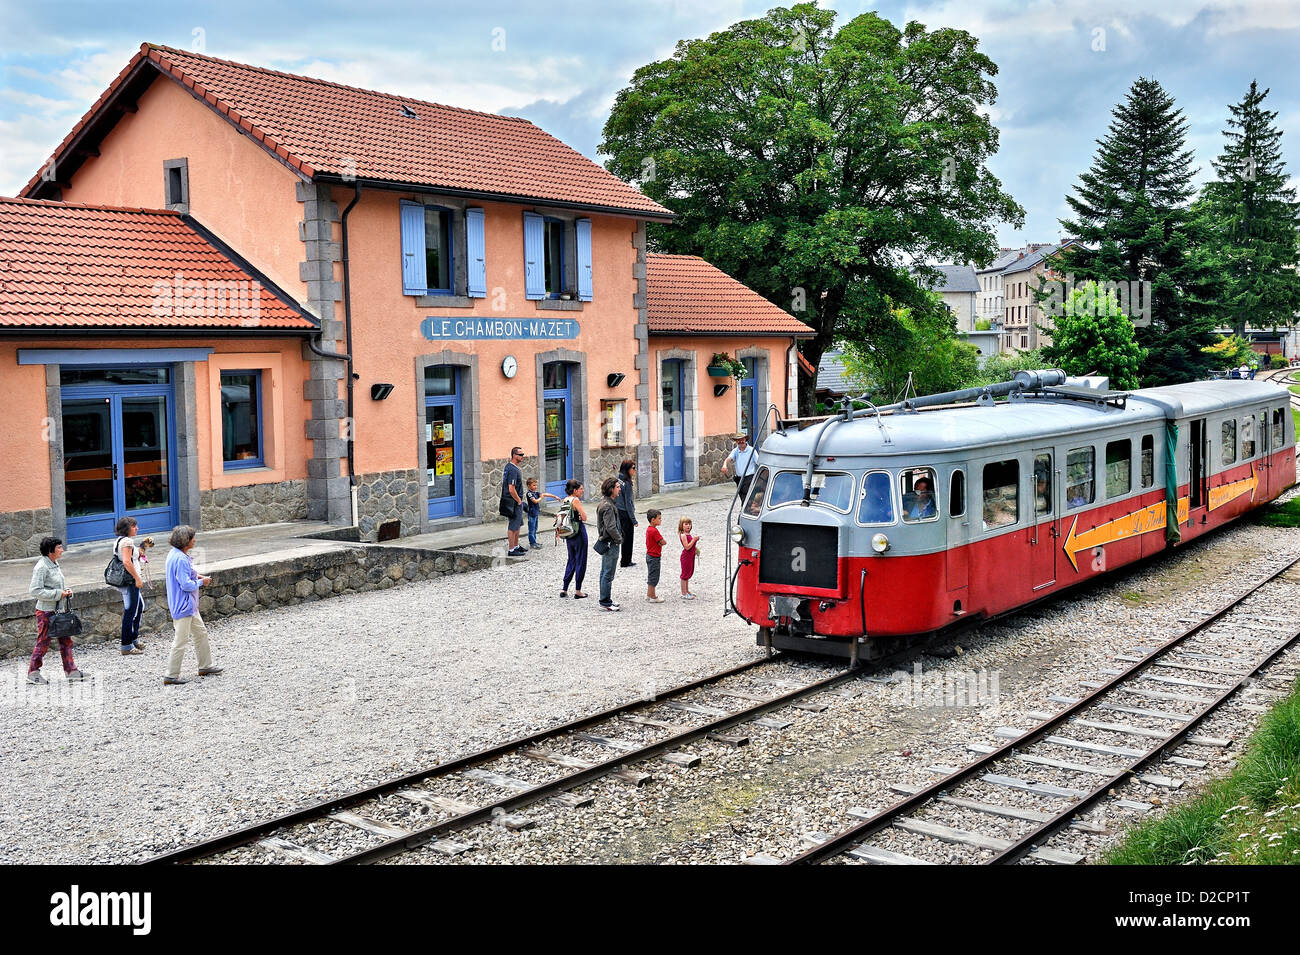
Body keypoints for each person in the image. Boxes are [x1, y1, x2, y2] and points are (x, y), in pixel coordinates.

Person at [163, 525, 222, 685]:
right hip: (184, 606)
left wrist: (197, 576)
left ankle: (205, 666)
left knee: (201, 633)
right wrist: (202, 582)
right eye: (192, 537)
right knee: (180, 641)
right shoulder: (181, 558)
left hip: (188, 606)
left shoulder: (174, 554)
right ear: (186, 541)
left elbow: (184, 576)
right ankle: (171, 675)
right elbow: (186, 585)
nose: (195, 540)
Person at [26, 536, 87, 684]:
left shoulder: (54, 563)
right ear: (50, 551)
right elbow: (35, 591)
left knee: (66, 640)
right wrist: (59, 594)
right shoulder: (41, 567)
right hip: (46, 611)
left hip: (59, 610)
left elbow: (54, 585)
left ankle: (71, 671)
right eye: (59, 547)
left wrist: (65, 592)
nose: (62, 550)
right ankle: (33, 672)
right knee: (43, 642)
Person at [112, 516, 149, 656]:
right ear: (127, 529)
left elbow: (130, 557)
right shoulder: (127, 541)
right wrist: (137, 578)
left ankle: (133, 639)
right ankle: (126, 645)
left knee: (139, 607)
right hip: (130, 582)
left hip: (128, 581)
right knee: (131, 611)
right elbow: (127, 562)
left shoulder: (119, 540)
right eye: (134, 526)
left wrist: (142, 548)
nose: (137, 528)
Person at [559, 479, 589, 599]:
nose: (582, 491)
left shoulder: (565, 500)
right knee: (581, 560)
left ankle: (564, 588)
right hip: (578, 532)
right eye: (581, 489)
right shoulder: (576, 500)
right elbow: (584, 517)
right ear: (575, 490)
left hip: (568, 533)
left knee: (571, 560)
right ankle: (578, 590)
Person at [596, 477, 623, 611]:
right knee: (608, 573)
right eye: (617, 487)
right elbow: (611, 527)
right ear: (611, 489)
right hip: (610, 543)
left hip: (608, 542)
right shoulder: (607, 506)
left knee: (605, 572)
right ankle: (605, 601)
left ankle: (605, 598)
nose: (619, 489)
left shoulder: (606, 503)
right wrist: (619, 540)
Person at [502, 447, 527, 557]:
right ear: (514, 455)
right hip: (514, 502)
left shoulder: (509, 467)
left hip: (514, 501)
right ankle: (511, 549)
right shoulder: (513, 470)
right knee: (513, 526)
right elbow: (511, 488)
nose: (523, 456)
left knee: (518, 524)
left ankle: (516, 546)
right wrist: (518, 501)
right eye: (521, 454)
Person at [524, 478, 560, 551]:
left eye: (536, 485)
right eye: (533, 485)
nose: (535, 487)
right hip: (531, 513)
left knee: (535, 528)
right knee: (531, 529)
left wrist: (555, 496)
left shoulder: (536, 493)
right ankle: (532, 543)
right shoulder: (529, 494)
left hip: (536, 513)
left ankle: (534, 542)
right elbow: (535, 501)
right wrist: (541, 498)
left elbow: (545, 494)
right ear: (528, 486)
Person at [721, 433, 759, 500]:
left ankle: (745, 508)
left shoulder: (752, 450)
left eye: (742, 439)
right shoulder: (736, 450)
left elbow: (758, 462)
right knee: (741, 494)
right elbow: (728, 459)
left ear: (745, 440)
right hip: (739, 478)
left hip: (749, 477)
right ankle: (746, 508)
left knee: (746, 495)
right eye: (738, 440)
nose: (740, 441)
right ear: (736, 441)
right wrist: (725, 465)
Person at [616, 459, 638, 568]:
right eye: (633, 468)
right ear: (627, 469)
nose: (635, 470)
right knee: (628, 538)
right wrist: (633, 520)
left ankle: (624, 560)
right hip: (625, 513)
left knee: (622, 536)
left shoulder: (618, 479)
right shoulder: (627, 484)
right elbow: (628, 503)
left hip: (618, 511)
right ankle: (626, 561)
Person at [645, 509, 666, 603]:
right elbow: (662, 542)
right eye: (659, 518)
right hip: (654, 556)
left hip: (649, 555)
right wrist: (663, 542)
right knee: (654, 577)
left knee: (651, 575)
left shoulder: (649, 529)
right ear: (653, 519)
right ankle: (653, 596)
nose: (660, 520)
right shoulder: (654, 531)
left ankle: (649, 594)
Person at [679, 517, 700, 600]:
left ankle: (687, 591)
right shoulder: (683, 535)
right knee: (684, 575)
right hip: (686, 557)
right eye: (686, 524)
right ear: (681, 525)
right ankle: (683, 593)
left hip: (690, 556)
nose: (688, 526)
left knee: (688, 574)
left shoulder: (688, 534)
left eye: (689, 524)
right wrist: (694, 540)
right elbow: (687, 547)